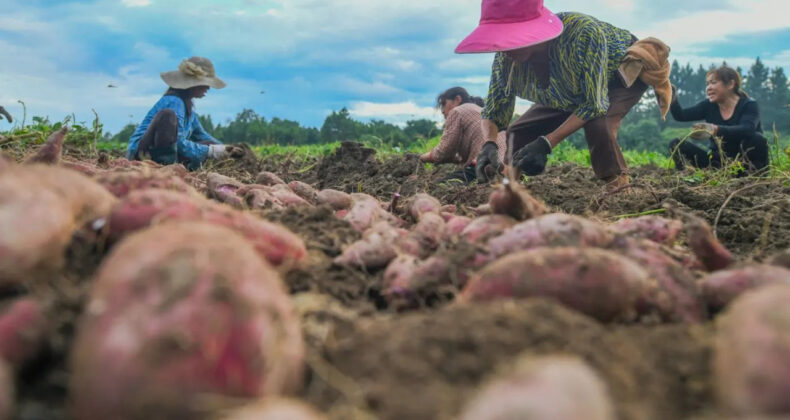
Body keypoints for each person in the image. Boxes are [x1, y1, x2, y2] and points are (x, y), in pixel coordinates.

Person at [456, 0, 671, 188]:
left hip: (616, 77)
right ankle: (510, 184)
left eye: (512, 37)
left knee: (599, 124)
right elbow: (495, 108)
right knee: (518, 131)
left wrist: (546, 143)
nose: (506, 48)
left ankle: (618, 187)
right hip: (566, 88)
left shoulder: (582, 34)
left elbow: (593, 105)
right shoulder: (506, 59)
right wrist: (489, 144)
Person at [126, 57, 241, 170]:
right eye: (205, 83)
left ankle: (174, 166)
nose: (208, 88)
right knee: (167, 116)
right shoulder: (174, 102)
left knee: (210, 143)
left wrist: (226, 149)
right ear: (193, 84)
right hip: (142, 154)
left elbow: (202, 135)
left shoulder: (189, 110)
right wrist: (211, 151)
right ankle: (165, 167)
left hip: (165, 151)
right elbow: (179, 142)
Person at [668, 66, 769, 174]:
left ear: (730, 84)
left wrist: (715, 129)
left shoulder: (749, 105)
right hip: (718, 164)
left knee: (757, 138)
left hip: (744, 164)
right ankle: (683, 177)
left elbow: (747, 129)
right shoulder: (708, 106)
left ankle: (750, 178)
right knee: (676, 144)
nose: (708, 88)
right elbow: (681, 116)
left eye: (713, 82)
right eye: (707, 84)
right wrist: (671, 98)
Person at [420, 87, 507, 183]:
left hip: (485, 165)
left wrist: (422, 157)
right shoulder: (481, 112)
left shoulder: (457, 111)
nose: (443, 111)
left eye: (444, 103)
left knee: (441, 186)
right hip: (508, 166)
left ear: (457, 99)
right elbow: (457, 157)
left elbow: (444, 150)